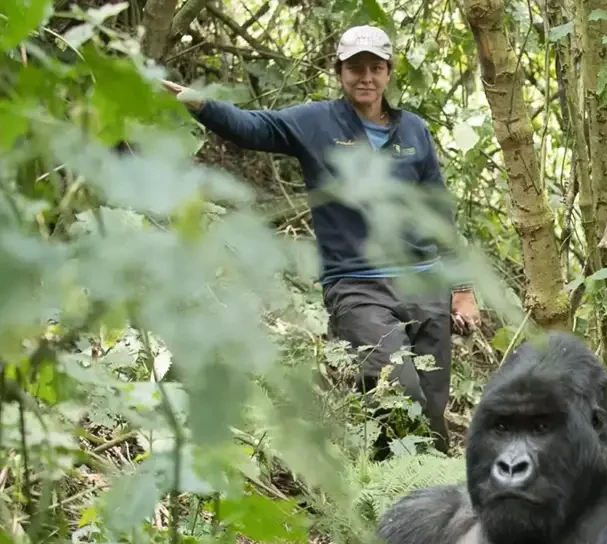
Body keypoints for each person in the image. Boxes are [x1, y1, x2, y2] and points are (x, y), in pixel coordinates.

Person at [162, 25, 478, 454]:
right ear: (339, 72)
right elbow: (250, 128)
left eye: (375, 68)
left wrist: (461, 289)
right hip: (359, 287)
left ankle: (428, 508)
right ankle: (392, 502)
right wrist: (195, 101)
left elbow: (439, 213)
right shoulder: (315, 122)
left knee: (433, 410)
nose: (365, 77)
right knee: (399, 393)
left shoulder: (415, 132)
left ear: (388, 73)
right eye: (354, 68)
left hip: (425, 285)